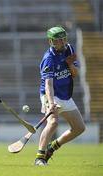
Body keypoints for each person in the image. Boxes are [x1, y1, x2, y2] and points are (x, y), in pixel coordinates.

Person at [34, 26, 85, 166]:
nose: (61, 43)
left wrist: (70, 65)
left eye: (63, 39)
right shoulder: (48, 59)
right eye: (57, 41)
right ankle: (39, 157)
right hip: (50, 95)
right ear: (51, 42)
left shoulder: (69, 49)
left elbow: (75, 74)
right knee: (53, 123)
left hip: (65, 95)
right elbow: (48, 85)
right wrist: (51, 103)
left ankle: (52, 147)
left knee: (79, 128)